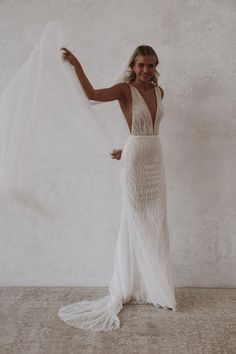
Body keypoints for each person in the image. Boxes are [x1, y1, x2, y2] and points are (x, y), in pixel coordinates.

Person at [58, 44, 178, 331]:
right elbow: (92, 95)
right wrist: (76, 64)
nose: (145, 70)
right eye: (140, 65)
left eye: (150, 65)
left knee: (156, 222)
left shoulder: (161, 92)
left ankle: (153, 288)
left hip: (155, 159)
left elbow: (150, 130)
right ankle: (128, 284)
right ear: (133, 66)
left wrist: (127, 150)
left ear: (156, 65)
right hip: (135, 162)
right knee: (136, 221)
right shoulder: (124, 90)